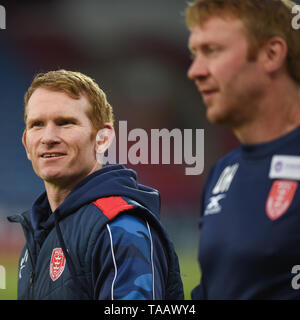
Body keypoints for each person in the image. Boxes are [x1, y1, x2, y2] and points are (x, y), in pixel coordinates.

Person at [8, 69, 184, 300]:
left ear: (102, 138)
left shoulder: (119, 228)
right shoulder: (40, 233)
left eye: (65, 123)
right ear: (25, 142)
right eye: (37, 124)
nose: (48, 137)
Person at [185, 0, 300, 299]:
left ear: (271, 54)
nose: (194, 71)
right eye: (194, 53)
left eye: (212, 50)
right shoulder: (224, 172)